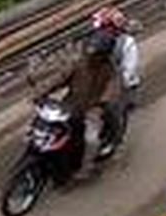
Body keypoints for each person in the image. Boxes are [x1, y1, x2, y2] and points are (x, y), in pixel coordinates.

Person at [39, 27, 122, 179]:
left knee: (91, 140)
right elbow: (60, 78)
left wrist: (101, 104)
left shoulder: (109, 69)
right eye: (90, 50)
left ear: (103, 54)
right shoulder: (78, 63)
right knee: (48, 129)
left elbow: (113, 88)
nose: (91, 54)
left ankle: (86, 168)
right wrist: (43, 91)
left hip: (92, 110)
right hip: (71, 105)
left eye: (95, 52)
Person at [90, 5, 140, 159]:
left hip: (121, 85)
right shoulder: (96, 40)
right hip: (99, 82)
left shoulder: (127, 43)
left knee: (114, 112)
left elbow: (129, 69)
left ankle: (113, 142)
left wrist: (115, 86)